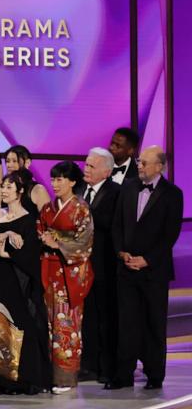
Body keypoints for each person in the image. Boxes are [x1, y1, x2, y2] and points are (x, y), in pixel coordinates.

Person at [108, 146, 183, 390]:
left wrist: (147, 259)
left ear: (159, 166)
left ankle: (154, 375)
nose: (139, 166)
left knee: (153, 324)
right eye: (140, 162)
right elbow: (117, 225)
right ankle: (123, 375)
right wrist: (121, 251)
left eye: (145, 163)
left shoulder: (173, 194)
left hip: (154, 271)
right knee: (126, 323)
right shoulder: (128, 187)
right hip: (126, 268)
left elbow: (170, 235)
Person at [0, 173, 51, 395]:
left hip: (18, 278)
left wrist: (7, 253)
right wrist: (7, 234)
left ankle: (22, 380)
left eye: (10, 186)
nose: (5, 190)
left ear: (20, 191)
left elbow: (30, 254)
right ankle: (2, 379)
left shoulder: (29, 218)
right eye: (3, 186)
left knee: (18, 324)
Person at [38, 161, 93, 393]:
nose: (55, 184)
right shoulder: (48, 208)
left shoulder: (81, 208)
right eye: (53, 179)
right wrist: (45, 239)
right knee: (47, 322)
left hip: (69, 272)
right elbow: (40, 228)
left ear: (72, 182)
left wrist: (57, 243)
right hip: (49, 269)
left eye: (60, 179)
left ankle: (65, 378)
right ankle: (47, 374)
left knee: (66, 324)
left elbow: (85, 243)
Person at [79, 148, 121, 383]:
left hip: (104, 264)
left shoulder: (116, 192)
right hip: (81, 265)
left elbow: (113, 225)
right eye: (86, 164)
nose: (86, 169)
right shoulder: (79, 190)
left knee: (106, 316)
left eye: (92, 166)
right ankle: (88, 365)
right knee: (88, 317)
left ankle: (107, 366)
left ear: (106, 171)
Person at [4, 146, 52, 214]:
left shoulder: (38, 190)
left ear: (27, 163)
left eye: (15, 161)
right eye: (7, 161)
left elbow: (47, 220)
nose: (9, 165)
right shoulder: (2, 190)